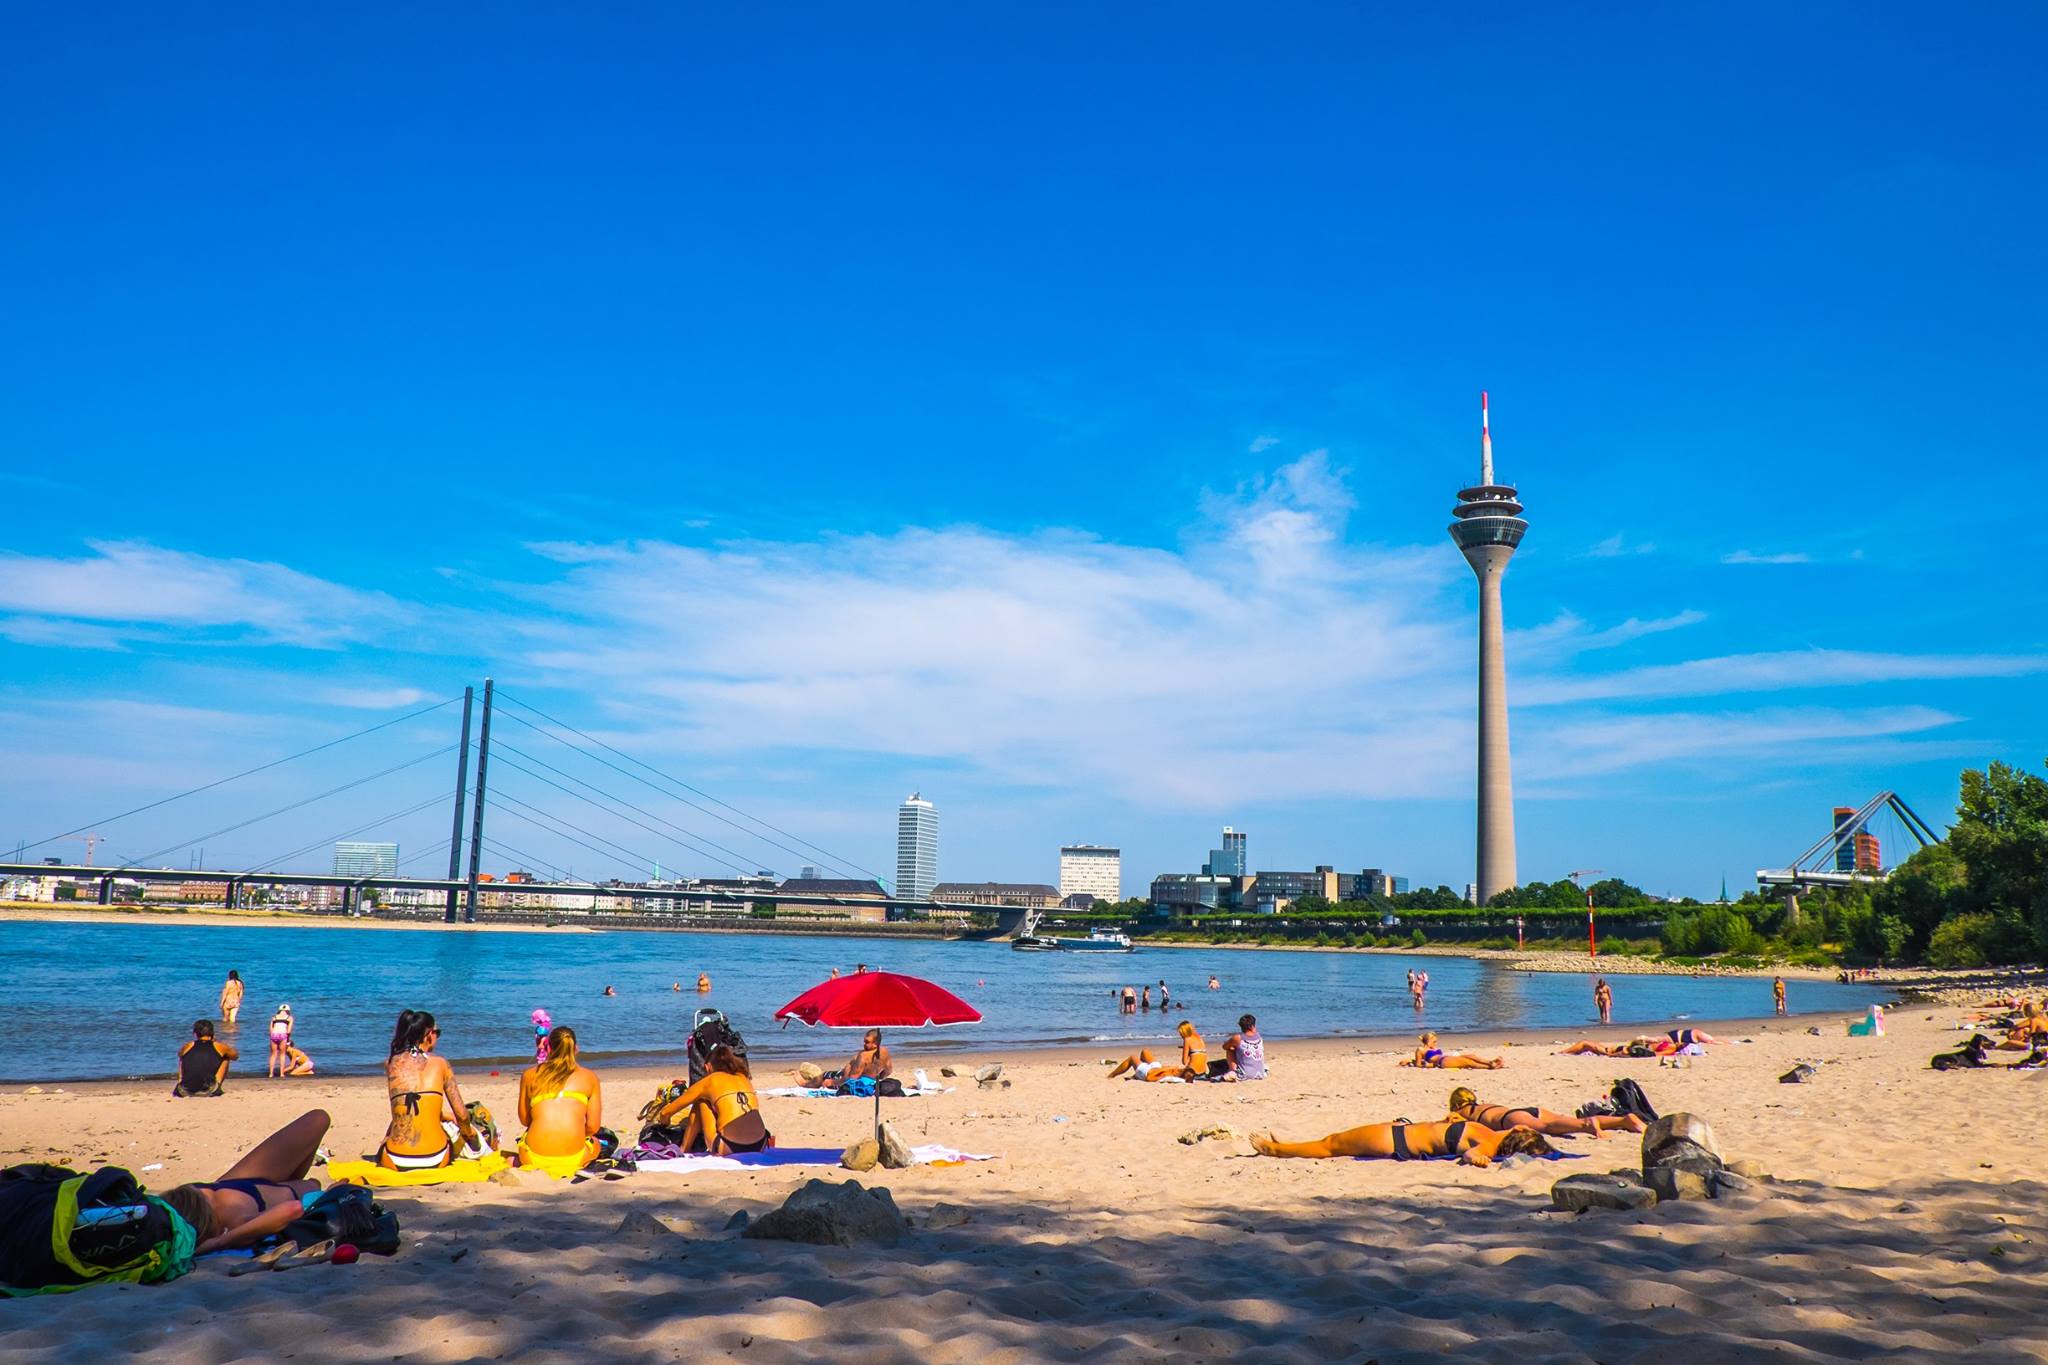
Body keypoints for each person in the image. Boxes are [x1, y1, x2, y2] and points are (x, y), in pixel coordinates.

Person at [159, 1110, 331, 1254]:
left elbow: (292, 1209)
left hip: (236, 1186)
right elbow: (294, 1209)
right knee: (314, 1182)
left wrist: (219, 1241)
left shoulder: (230, 1221)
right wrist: (220, 1242)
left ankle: (294, 1178)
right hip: (235, 1188)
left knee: (319, 1120)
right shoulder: (232, 1220)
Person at [379, 1009, 483, 1170]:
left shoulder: (391, 1064)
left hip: (394, 1160)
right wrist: (471, 1136)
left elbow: (401, 1108)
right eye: (437, 1033)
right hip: (435, 1158)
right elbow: (462, 1115)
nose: (437, 1038)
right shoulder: (441, 1064)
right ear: (429, 1034)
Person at [1250, 1117, 1554, 1165]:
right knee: (1331, 1142)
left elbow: (1474, 1155)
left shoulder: (1487, 1139)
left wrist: (1479, 1158)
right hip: (1399, 1136)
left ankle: (1274, 1150)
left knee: (1331, 1145)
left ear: (1516, 1132)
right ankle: (1287, 1145)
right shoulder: (1486, 1134)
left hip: (1395, 1139)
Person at [516, 1024, 604, 1176]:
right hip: (575, 1159)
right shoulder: (590, 1078)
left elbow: (524, 1120)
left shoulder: (529, 1075)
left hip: (533, 1158)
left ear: (548, 1048)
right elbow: (593, 1126)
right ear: (576, 1048)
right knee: (596, 1144)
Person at [651, 1043, 772, 1153]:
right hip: (760, 1144)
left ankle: (684, 1149)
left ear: (708, 1067)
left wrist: (664, 1125)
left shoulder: (709, 1081)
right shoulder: (743, 1078)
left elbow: (666, 1112)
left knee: (701, 1100)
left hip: (729, 1146)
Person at [1447, 1086, 1645, 1138]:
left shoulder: (1461, 1113)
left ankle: (1586, 1125)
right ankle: (1624, 1121)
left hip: (1509, 1119)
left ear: (1456, 1104)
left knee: (1547, 1128)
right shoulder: (1483, 1105)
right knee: (1562, 1119)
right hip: (1527, 1110)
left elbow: (1448, 1124)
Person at [1108, 1020, 1207, 1081]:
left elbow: (1184, 1062)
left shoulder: (1187, 1039)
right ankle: (1136, 1074)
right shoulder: (1200, 1039)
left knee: (1132, 1058)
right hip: (1200, 1073)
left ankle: (1111, 1075)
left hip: (1154, 1072)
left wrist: (1187, 1052)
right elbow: (1198, 1056)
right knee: (1144, 1051)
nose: (1180, 1035)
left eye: (1180, 1033)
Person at [173, 1019, 239, 1096]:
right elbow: (235, 1056)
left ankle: (181, 1082)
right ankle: (217, 1085)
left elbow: (179, 1054)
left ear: (195, 1034)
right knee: (226, 1057)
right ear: (212, 1033)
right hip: (209, 1090)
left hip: (184, 1090)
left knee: (183, 1057)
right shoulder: (219, 1046)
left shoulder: (188, 1046)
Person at [1400, 1031, 1502, 1069]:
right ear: (1429, 1040)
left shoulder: (1434, 1048)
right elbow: (1418, 1064)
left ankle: (1490, 1062)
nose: (1436, 1043)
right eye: (1434, 1041)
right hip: (1442, 1062)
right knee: (1468, 1062)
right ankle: (1489, 1066)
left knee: (1471, 1056)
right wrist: (1428, 1065)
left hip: (1446, 1058)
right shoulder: (1421, 1049)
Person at [1221, 1014, 1266, 1080]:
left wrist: (1233, 1047)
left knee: (1229, 1050)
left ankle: (1232, 1070)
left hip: (1246, 1074)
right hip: (1261, 1074)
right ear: (1252, 1026)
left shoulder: (1238, 1038)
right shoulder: (1258, 1036)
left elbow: (1224, 1047)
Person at [1558, 1037, 1662, 1058]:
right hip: (1606, 1049)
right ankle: (1565, 1052)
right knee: (1584, 1043)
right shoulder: (1629, 1048)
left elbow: (1620, 1054)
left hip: (1605, 1051)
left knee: (1584, 1042)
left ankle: (1564, 1052)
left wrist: (1609, 1055)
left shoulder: (1628, 1049)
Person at [266, 1004, 294, 1078]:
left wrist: (272, 1037)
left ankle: (271, 1074)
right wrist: (288, 1039)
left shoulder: (274, 1017)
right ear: (288, 1011)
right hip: (283, 1035)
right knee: (282, 1054)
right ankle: (281, 1073)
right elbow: (289, 1031)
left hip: (274, 1035)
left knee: (273, 1054)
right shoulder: (289, 1018)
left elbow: (271, 1030)